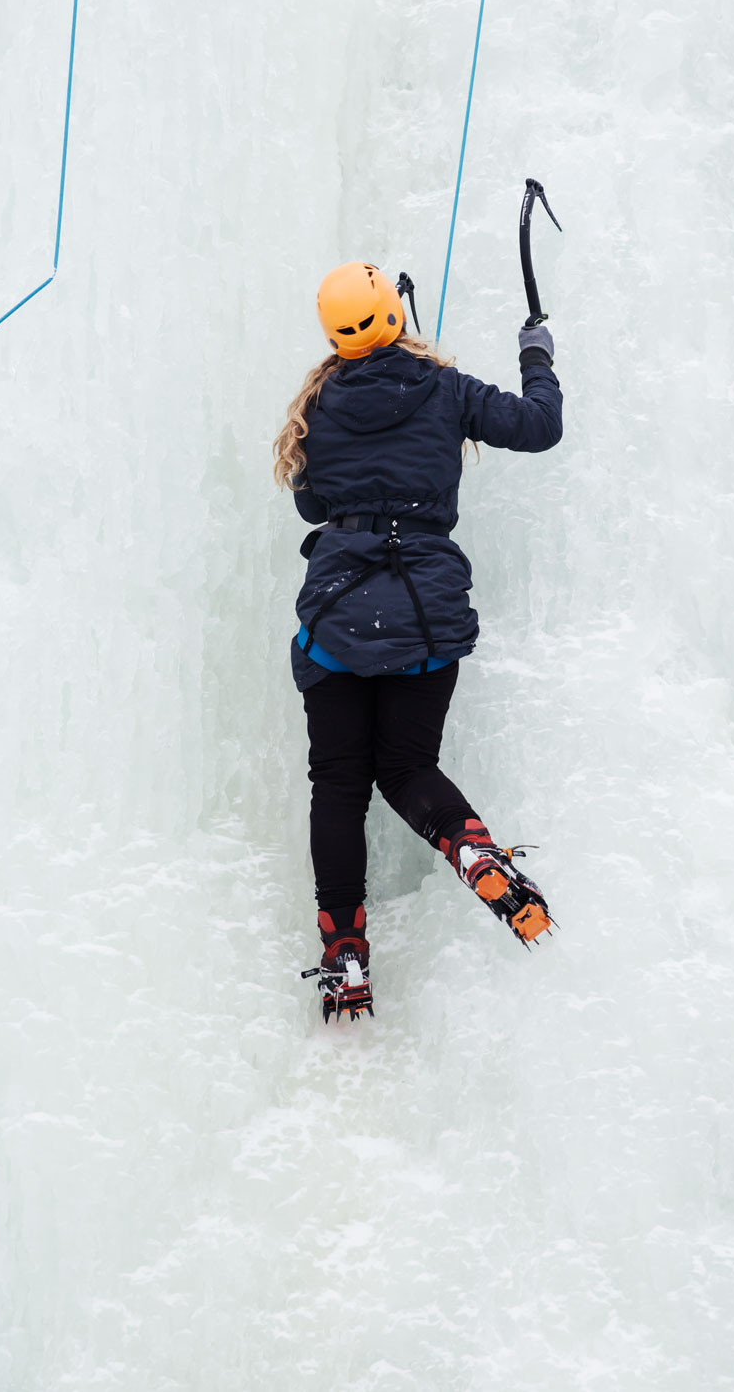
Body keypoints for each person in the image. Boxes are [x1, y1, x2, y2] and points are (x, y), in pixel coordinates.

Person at [273, 261, 563, 1023]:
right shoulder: (445, 390)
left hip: (339, 612)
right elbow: (539, 426)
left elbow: (312, 503)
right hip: (424, 608)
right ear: (392, 316)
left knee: (338, 782)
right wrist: (536, 350)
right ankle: (476, 853)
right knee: (406, 766)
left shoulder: (319, 404)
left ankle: (345, 956)